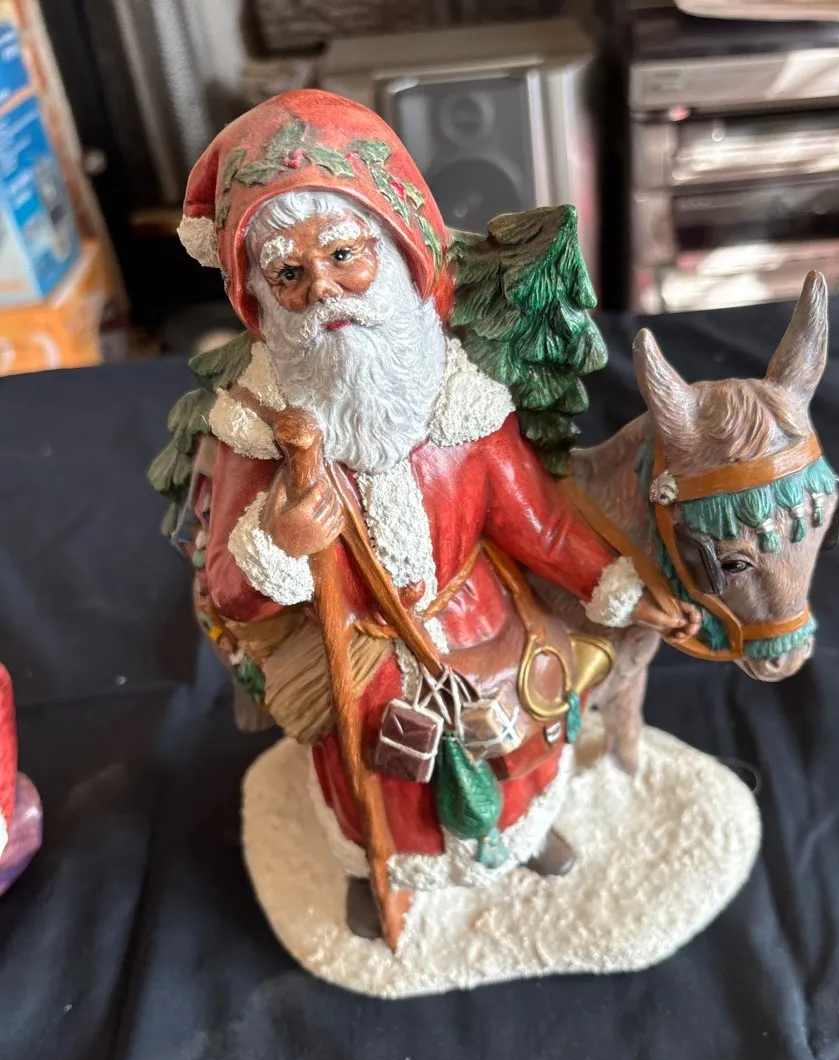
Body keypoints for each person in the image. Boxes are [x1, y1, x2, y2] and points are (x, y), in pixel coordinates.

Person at [171, 91, 699, 941]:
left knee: (517, 731)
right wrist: (281, 540)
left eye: (345, 254)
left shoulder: (463, 406)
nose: (322, 291)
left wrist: (618, 585)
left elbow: (538, 527)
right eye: (289, 275)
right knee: (379, 781)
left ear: (400, 253)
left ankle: (518, 835)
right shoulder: (258, 433)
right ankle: (378, 866)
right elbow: (231, 591)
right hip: (362, 653)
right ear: (259, 300)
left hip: (480, 624)